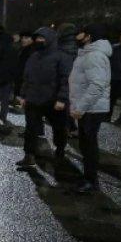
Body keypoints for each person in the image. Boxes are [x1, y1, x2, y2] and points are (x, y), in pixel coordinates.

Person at [16, 27, 73, 168]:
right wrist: (23, 95)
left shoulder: (61, 57)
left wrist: (62, 98)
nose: (38, 41)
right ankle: (29, 155)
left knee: (59, 128)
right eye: (37, 39)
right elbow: (27, 77)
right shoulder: (34, 56)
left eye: (42, 38)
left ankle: (60, 152)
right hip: (33, 99)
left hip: (53, 100)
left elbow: (65, 79)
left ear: (50, 40)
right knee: (31, 130)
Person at [69, 24, 112, 193]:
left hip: (92, 109)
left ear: (88, 36)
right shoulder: (87, 54)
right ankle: (88, 177)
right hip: (88, 107)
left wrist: (80, 107)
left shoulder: (94, 56)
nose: (76, 37)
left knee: (89, 145)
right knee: (86, 144)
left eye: (79, 33)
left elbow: (97, 85)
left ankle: (91, 181)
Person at [13, 31, 35, 104]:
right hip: (19, 79)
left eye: (26, 38)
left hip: (25, 82)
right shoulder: (22, 49)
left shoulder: (32, 51)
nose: (23, 40)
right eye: (22, 38)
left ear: (32, 39)